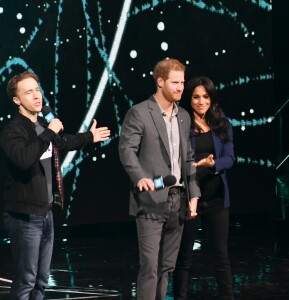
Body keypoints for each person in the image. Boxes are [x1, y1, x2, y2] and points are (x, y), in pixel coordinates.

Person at [0, 70, 111, 300]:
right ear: (16, 100)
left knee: (41, 280)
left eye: (37, 90)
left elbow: (62, 142)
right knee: (26, 280)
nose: (36, 96)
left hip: (45, 212)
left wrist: (89, 137)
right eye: (28, 92)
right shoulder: (13, 130)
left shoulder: (42, 124)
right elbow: (23, 158)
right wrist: (49, 133)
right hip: (25, 216)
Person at [118, 58, 201, 300]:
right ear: (160, 81)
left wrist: (194, 193)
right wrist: (139, 177)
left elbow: (188, 158)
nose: (180, 88)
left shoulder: (183, 116)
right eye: (175, 82)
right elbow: (126, 150)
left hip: (178, 200)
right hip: (151, 200)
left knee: (167, 267)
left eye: (182, 83)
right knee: (150, 268)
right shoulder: (140, 112)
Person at [173, 76, 235, 300]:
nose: (201, 102)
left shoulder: (222, 124)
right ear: (189, 99)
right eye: (196, 97)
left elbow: (230, 158)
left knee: (221, 256)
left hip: (217, 198)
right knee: (184, 258)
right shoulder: (180, 124)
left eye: (206, 97)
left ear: (212, 98)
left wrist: (213, 164)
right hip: (190, 199)